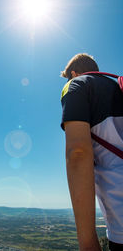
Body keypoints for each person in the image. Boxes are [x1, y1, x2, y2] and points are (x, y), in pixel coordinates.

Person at [60, 53, 123, 251]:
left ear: (73, 73)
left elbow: (77, 152)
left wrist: (87, 243)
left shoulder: (77, 85)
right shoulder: (117, 86)